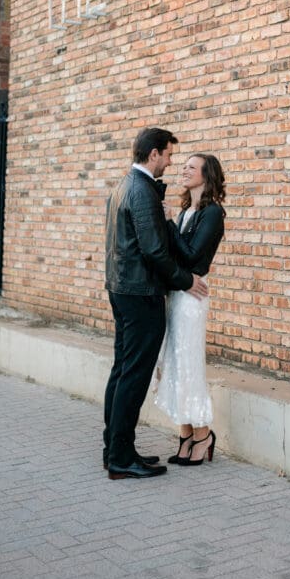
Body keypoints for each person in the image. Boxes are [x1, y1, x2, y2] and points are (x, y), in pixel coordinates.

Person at [103, 127, 208, 480]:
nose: (170, 162)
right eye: (168, 155)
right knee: (133, 375)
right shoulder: (142, 190)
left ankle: (115, 449)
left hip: (122, 289)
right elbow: (153, 250)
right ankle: (120, 458)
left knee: (122, 370)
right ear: (153, 154)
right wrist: (185, 280)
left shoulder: (124, 185)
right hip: (140, 293)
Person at [154, 153, 226, 466]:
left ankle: (203, 435)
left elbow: (193, 257)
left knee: (189, 367)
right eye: (183, 166)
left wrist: (169, 223)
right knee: (174, 364)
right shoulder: (187, 211)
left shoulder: (213, 213)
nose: (184, 170)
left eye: (191, 167)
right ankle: (185, 434)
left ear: (207, 176)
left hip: (192, 299)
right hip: (177, 294)